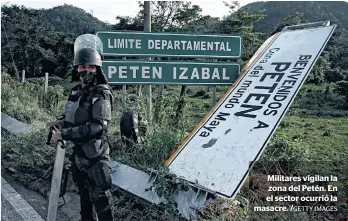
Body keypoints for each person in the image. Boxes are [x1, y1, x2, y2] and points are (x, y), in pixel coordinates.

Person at [47, 47, 115, 221]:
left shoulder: (101, 93)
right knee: (84, 198)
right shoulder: (77, 91)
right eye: (82, 66)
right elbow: (74, 117)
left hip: (95, 155)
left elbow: (98, 126)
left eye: (90, 67)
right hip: (78, 155)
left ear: (97, 69)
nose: (85, 70)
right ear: (77, 69)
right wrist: (60, 122)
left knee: (101, 201)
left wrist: (65, 134)